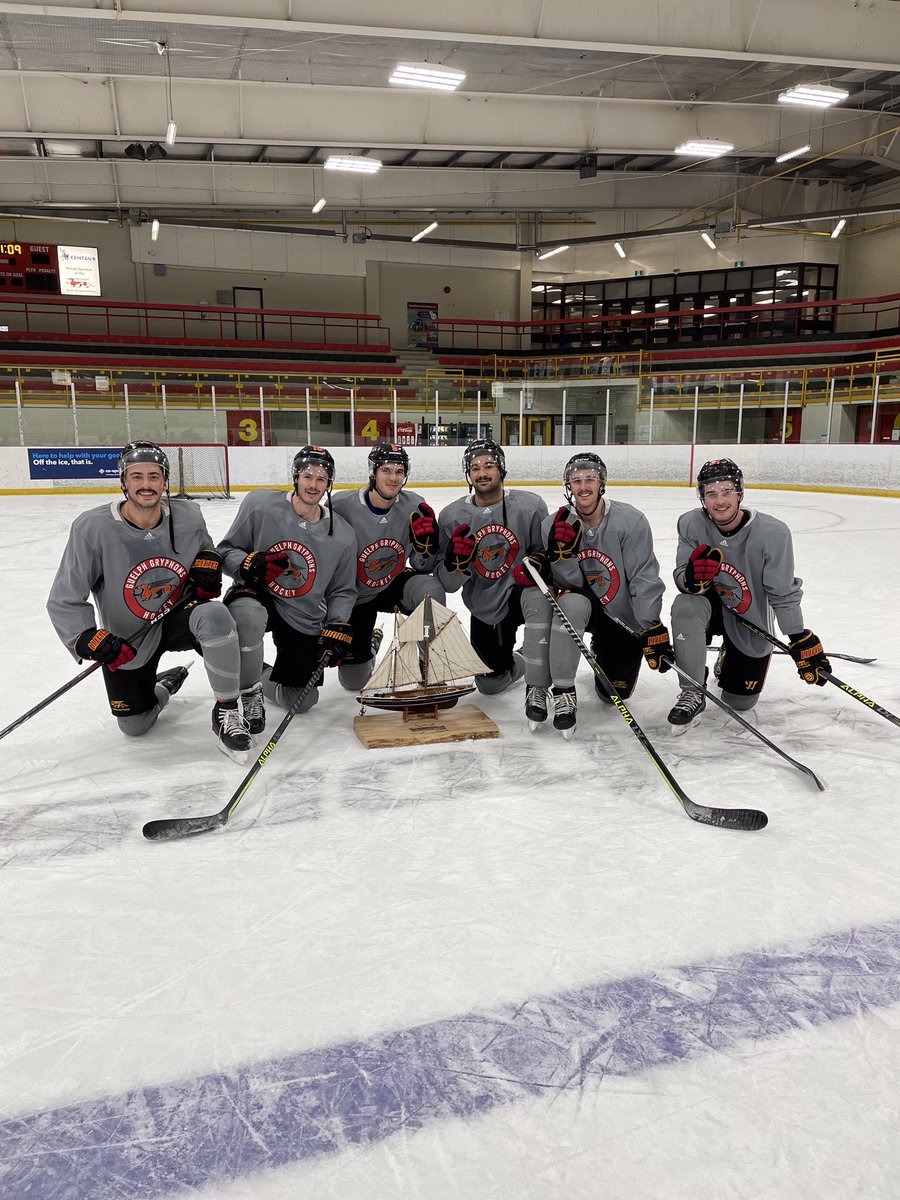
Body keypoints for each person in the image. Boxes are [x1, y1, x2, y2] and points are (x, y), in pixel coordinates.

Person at [47, 440, 252, 761]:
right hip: (130, 638)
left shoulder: (188, 516)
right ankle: (165, 684)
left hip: (179, 616)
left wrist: (209, 560)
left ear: (165, 481)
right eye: (137, 476)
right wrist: (85, 637)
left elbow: (207, 549)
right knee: (135, 725)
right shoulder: (92, 528)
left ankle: (226, 710)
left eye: (154, 476)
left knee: (215, 615)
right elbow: (65, 596)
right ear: (123, 482)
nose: (146, 484)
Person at [667, 457, 830, 733]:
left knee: (740, 702)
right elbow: (682, 575)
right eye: (711, 493)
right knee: (685, 604)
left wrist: (798, 636)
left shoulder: (773, 533)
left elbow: (782, 591)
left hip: (748, 615)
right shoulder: (690, 523)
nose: (720, 500)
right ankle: (692, 689)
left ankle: (728, 655)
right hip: (708, 605)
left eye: (727, 491)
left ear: (740, 493)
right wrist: (690, 579)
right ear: (702, 498)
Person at [515, 452, 671, 738]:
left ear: (602, 484)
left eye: (590, 479)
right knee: (569, 602)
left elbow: (644, 577)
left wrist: (650, 625)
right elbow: (567, 585)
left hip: (620, 616)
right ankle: (561, 690)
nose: (584, 486)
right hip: (581, 607)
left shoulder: (630, 521)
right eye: (576, 480)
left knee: (614, 695)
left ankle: (602, 649)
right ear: (568, 486)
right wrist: (559, 558)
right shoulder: (553, 525)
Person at [217, 445, 358, 732]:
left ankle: (255, 671)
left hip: (302, 611)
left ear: (329, 483)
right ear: (295, 477)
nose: (313, 484)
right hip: (257, 594)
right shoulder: (260, 505)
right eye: (308, 476)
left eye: (321, 478)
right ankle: (249, 691)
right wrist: (246, 563)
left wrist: (337, 622)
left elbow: (343, 590)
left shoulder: (343, 534)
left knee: (301, 700)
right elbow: (225, 551)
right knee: (248, 616)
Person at [436, 439, 550, 696]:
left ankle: (540, 668)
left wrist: (540, 564)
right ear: (468, 474)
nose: (482, 473)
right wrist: (456, 564)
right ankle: (522, 659)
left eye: (489, 465)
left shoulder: (531, 506)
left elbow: (545, 558)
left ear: (501, 469)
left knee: (540, 598)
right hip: (486, 604)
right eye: (475, 467)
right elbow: (448, 584)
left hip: (522, 593)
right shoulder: (451, 516)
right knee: (490, 685)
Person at [330, 441, 446, 693]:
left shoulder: (414, 505)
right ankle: (371, 645)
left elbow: (421, 566)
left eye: (399, 471)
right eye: (386, 470)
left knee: (431, 589)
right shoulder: (340, 506)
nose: (393, 478)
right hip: (354, 596)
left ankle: (428, 663)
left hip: (391, 583)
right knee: (353, 682)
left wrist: (426, 548)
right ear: (373, 472)